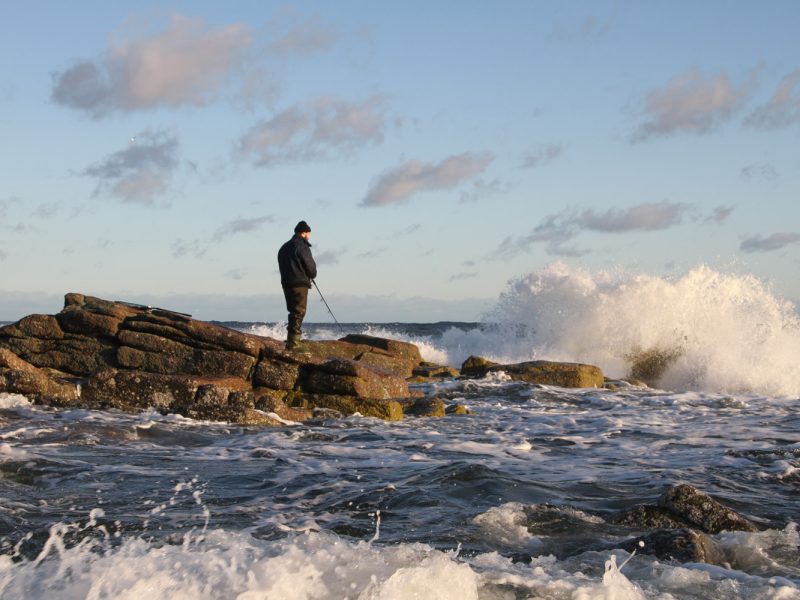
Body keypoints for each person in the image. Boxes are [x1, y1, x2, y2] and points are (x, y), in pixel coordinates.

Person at [277, 220, 317, 350]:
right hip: (299, 283)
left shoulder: (284, 247)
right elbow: (310, 266)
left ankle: (291, 340)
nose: (309, 236)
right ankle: (294, 344)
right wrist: (312, 274)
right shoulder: (302, 246)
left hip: (286, 283)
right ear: (304, 233)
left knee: (293, 311)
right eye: (309, 233)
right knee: (299, 312)